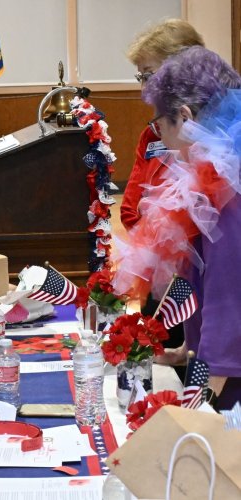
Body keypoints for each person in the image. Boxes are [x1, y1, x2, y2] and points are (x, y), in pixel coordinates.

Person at [114, 46, 241, 410]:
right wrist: (187, 349)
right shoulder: (219, 166)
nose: (160, 136)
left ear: (184, 118)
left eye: (160, 124)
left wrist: (200, 401)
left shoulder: (227, 182)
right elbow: (202, 271)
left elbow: (229, 297)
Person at [121, 19, 204, 230]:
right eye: (140, 77)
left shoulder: (221, 138)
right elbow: (129, 213)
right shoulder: (151, 135)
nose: (143, 91)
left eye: (149, 75)